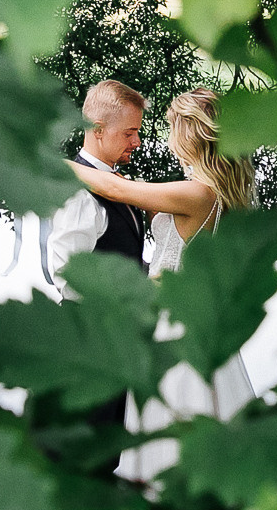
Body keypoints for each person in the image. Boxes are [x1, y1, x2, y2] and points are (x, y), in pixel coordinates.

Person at [67, 88, 259, 423]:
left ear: (189, 136)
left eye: (172, 129)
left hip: (174, 322)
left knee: (172, 414)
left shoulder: (198, 194)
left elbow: (114, 189)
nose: (169, 139)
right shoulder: (214, 194)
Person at [44, 80, 150, 291]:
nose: (137, 142)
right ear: (98, 130)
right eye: (128, 134)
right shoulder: (78, 195)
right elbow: (70, 277)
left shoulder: (119, 182)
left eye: (137, 132)